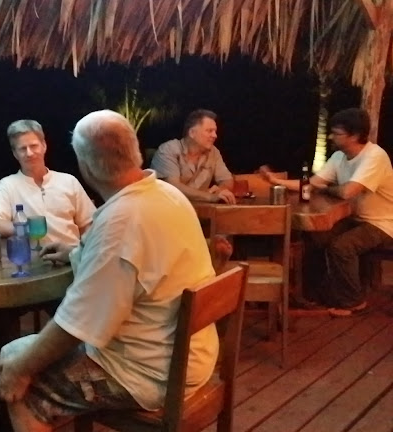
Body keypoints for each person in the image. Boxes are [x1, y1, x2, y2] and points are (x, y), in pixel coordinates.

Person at [0, 110, 219, 432]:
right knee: (21, 354)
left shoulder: (120, 222)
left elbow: (76, 325)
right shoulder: (166, 194)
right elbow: (127, 258)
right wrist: (76, 252)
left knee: (25, 377)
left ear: (87, 166)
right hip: (191, 353)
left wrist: (19, 372)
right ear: (135, 151)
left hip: (151, 372)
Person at [261, 108, 393, 316]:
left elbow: (348, 191)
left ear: (354, 136)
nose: (331, 137)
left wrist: (325, 188)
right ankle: (313, 293)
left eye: (337, 133)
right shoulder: (339, 156)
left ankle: (352, 301)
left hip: (383, 223)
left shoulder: (374, 156)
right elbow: (312, 183)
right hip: (355, 219)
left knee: (342, 247)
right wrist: (275, 180)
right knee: (317, 236)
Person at [0, 119, 96, 246]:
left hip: (71, 255)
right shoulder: (7, 185)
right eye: (22, 149)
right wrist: (27, 229)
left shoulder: (69, 181)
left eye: (33, 146)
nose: (29, 153)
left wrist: (84, 252)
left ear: (44, 146)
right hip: (32, 258)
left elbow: (89, 225)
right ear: (15, 154)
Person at [150, 109, 236, 204]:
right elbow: (173, 187)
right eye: (209, 131)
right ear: (192, 133)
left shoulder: (213, 152)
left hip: (199, 210)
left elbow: (227, 180)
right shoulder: (168, 150)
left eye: (215, 131)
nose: (215, 135)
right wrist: (210, 197)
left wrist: (221, 190)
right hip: (168, 208)